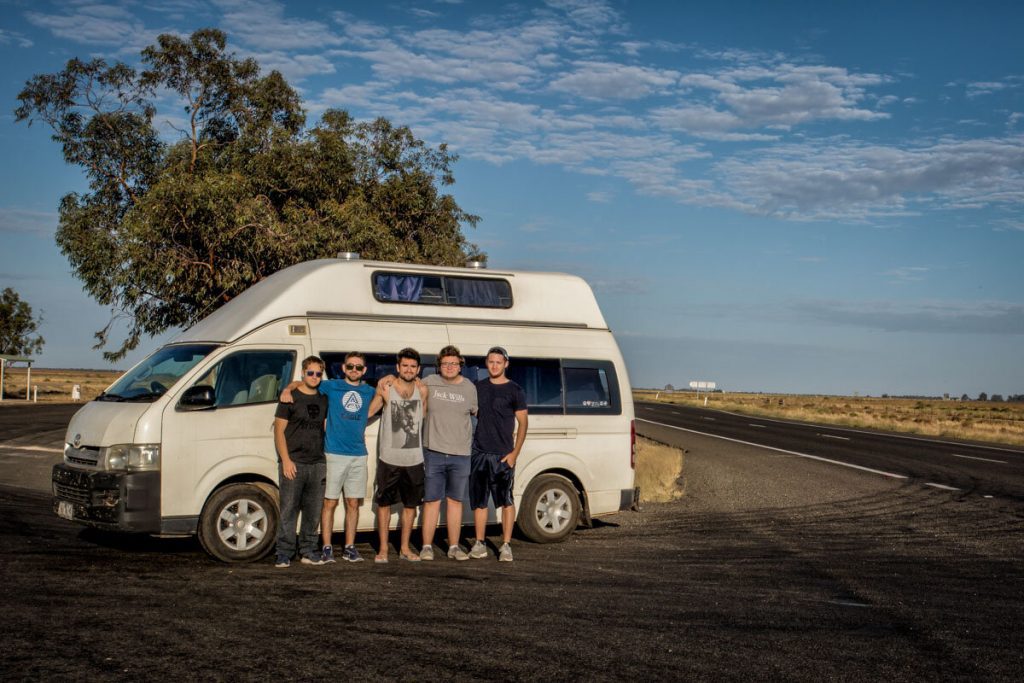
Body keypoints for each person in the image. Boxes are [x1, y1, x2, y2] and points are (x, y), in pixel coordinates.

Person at [282, 352, 383, 563]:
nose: (354, 370)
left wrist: (387, 381)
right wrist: (287, 389)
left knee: (353, 503)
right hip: (334, 453)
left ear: (364, 371)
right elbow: (302, 381)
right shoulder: (331, 386)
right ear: (343, 368)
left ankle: (349, 547)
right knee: (329, 502)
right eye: (350, 366)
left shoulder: (368, 390)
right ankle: (326, 547)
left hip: (358, 455)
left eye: (358, 367)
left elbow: (382, 395)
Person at [468, 346, 528, 562]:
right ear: (486, 363)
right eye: (491, 362)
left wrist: (514, 453)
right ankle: (480, 543)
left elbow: (523, 423)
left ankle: (506, 545)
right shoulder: (478, 387)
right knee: (480, 501)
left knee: (506, 501)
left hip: (503, 455)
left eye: (498, 362)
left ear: (506, 364)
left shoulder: (515, 390)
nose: (494, 365)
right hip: (480, 452)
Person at [418, 345, 478, 561]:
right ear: (439, 365)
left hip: (461, 454)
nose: (450, 367)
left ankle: (453, 546)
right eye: (445, 363)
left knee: (455, 501)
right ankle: (426, 546)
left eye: (454, 363)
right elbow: (405, 385)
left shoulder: (470, 388)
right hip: (433, 452)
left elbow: (478, 413)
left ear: (460, 365)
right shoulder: (428, 382)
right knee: (431, 501)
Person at [273, 355, 329, 567]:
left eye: (318, 373)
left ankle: (308, 550)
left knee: (313, 511)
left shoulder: (324, 398)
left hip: (317, 463)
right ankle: (284, 552)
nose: (314, 377)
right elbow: (279, 431)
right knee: (288, 509)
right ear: (303, 373)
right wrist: (285, 460)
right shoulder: (289, 397)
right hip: (294, 462)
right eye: (310, 373)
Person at [373, 348, 428, 563]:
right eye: (404, 365)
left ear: (418, 369)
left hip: (414, 459)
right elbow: (368, 412)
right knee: (384, 504)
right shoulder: (387, 387)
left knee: (410, 506)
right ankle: (383, 550)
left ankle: (405, 548)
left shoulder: (422, 390)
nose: (408, 369)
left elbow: (424, 416)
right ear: (397, 367)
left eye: (413, 366)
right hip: (389, 459)